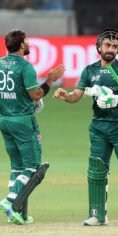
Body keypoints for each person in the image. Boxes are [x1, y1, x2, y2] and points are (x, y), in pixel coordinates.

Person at [53, 28, 118, 226]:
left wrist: (116, 99)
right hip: (98, 128)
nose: (110, 49)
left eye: (114, 46)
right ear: (99, 47)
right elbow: (77, 95)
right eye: (107, 45)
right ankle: (97, 214)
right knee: (96, 170)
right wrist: (66, 96)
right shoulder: (89, 71)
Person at [0, 29, 65, 224]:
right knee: (31, 166)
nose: (28, 44)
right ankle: (10, 200)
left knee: (16, 166)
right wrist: (50, 80)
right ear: (20, 45)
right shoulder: (25, 67)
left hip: (4, 119)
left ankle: (14, 213)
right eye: (26, 41)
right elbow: (35, 95)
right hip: (22, 122)